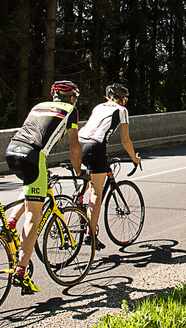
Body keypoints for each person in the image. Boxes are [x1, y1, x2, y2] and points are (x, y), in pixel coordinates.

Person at [5, 80, 82, 294]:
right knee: (34, 215)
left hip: (13, 150)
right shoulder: (71, 110)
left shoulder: (38, 106)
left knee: (32, 187)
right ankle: (21, 272)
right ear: (71, 98)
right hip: (34, 156)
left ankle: (10, 224)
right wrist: (78, 171)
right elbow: (74, 146)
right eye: (75, 97)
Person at [78, 83, 141, 250]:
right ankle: (90, 235)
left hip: (79, 142)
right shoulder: (122, 111)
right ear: (122, 99)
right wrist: (134, 158)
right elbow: (125, 141)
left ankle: (76, 201)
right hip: (95, 146)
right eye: (125, 99)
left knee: (88, 180)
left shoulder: (98, 107)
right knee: (96, 193)